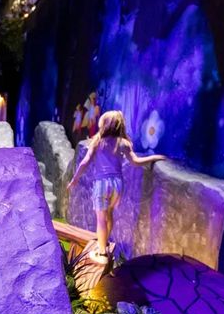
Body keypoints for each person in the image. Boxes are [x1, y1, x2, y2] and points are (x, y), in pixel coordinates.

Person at [67, 110, 166, 265]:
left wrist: (75, 179)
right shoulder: (123, 143)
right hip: (117, 185)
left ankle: (101, 252)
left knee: (101, 219)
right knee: (109, 214)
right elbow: (135, 162)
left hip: (101, 184)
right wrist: (153, 157)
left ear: (104, 125)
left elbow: (85, 161)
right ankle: (105, 241)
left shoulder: (98, 141)